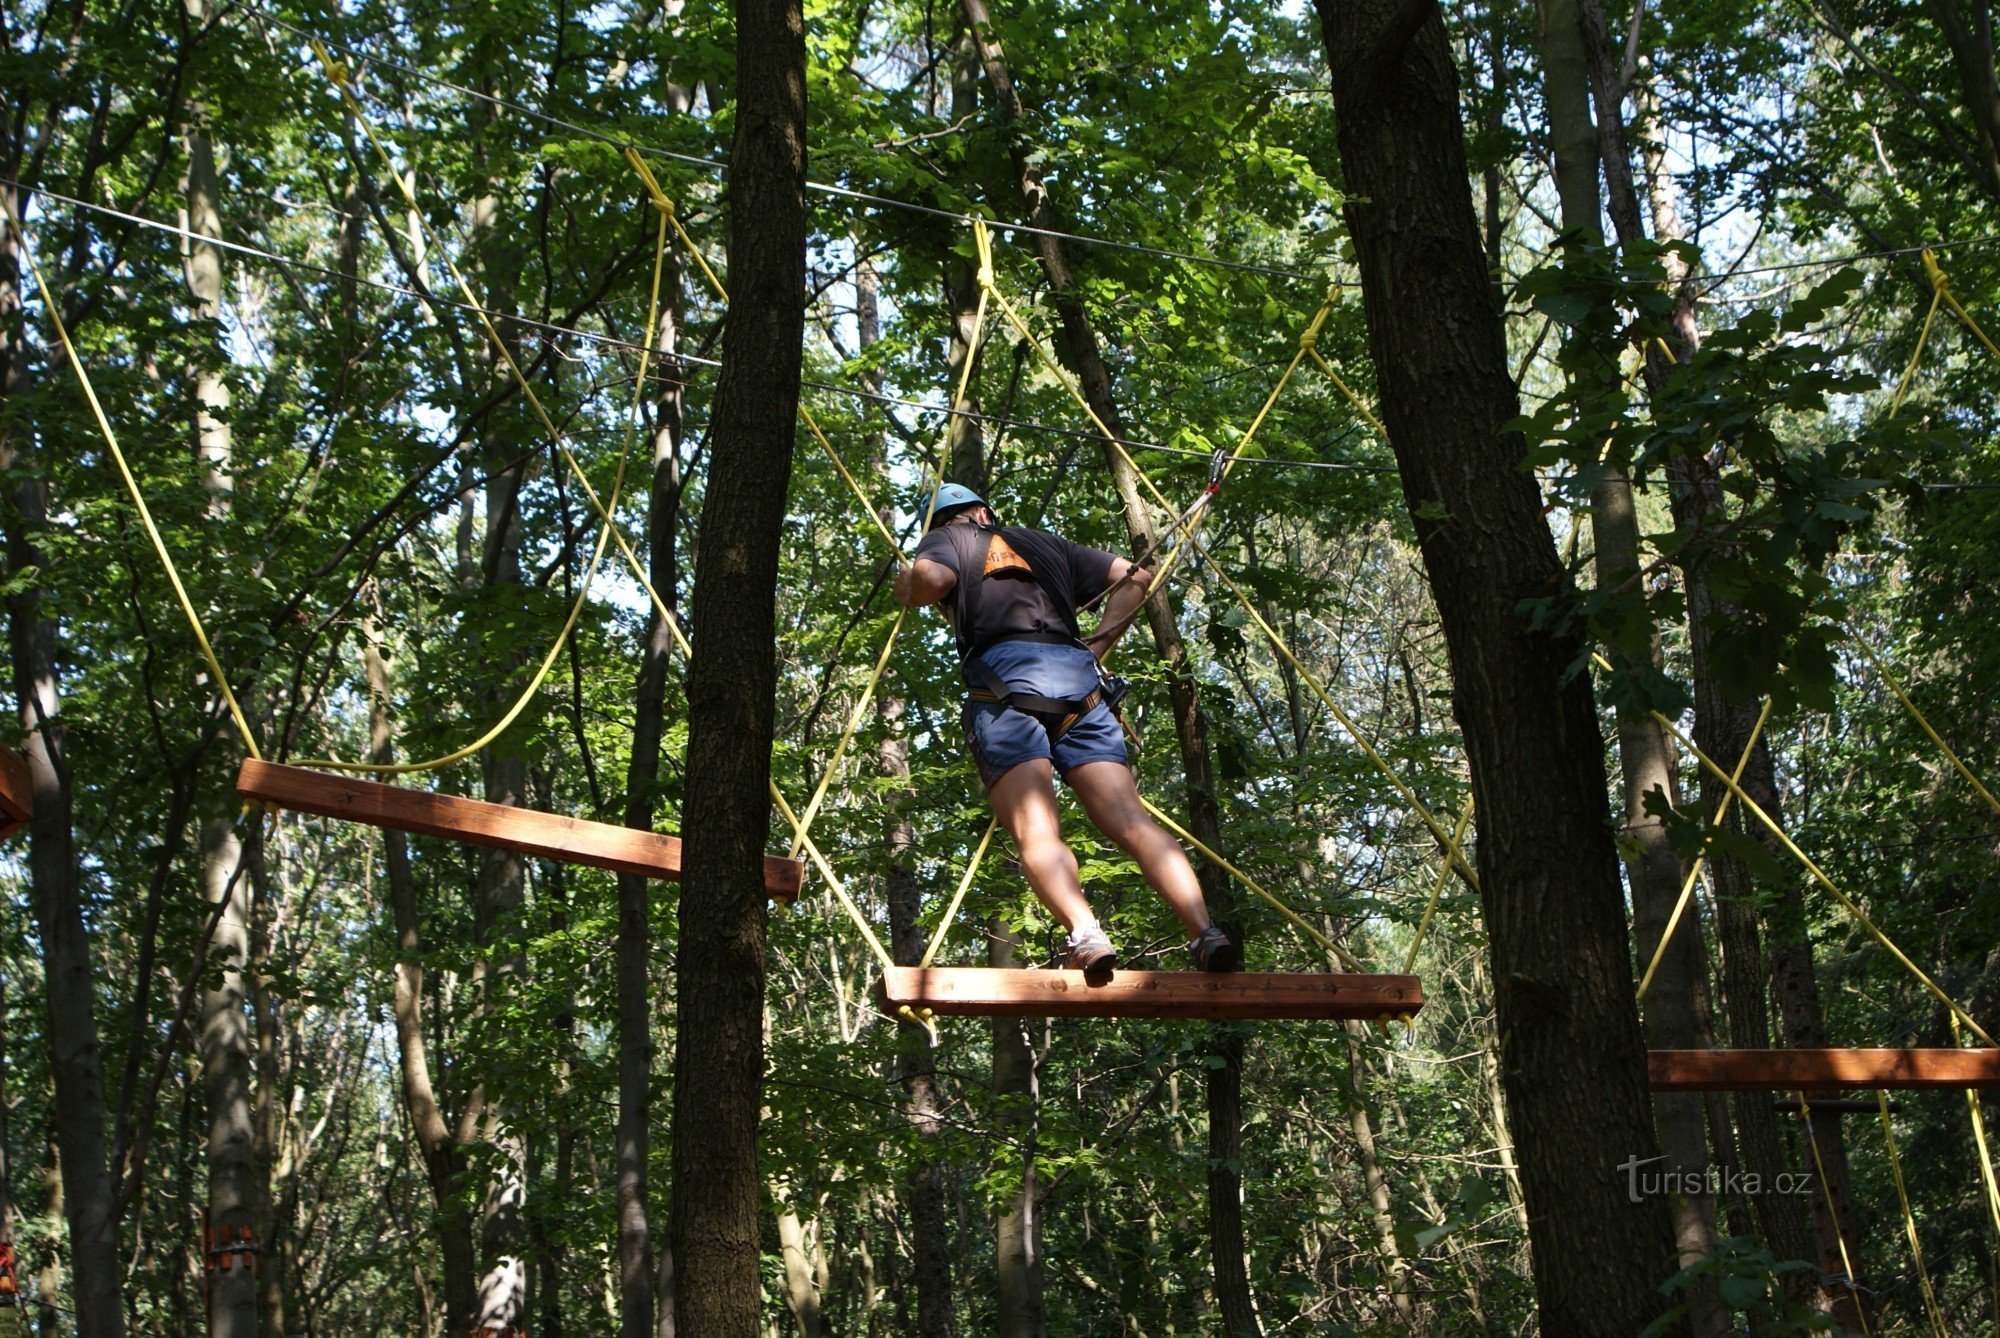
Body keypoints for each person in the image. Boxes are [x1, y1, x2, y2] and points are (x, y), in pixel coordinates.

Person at [893, 483, 1241, 980]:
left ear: (951, 520)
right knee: (1131, 821)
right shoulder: (1043, 543)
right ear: (985, 511)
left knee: (1036, 828)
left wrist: (906, 585)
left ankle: (1086, 932)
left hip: (1005, 688)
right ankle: (1205, 932)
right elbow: (1136, 577)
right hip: (1081, 687)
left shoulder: (951, 537)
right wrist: (1096, 647)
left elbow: (929, 580)